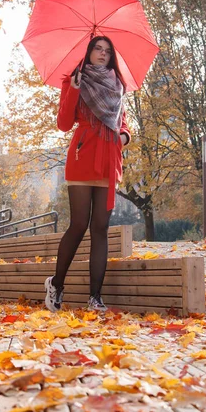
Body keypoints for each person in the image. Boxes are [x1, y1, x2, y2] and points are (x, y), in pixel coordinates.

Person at [44, 36, 131, 312]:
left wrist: (124, 138)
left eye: (107, 51)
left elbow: (123, 122)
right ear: (89, 52)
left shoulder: (117, 85)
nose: (103, 54)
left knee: (101, 228)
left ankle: (95, 296)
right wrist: (72, 90)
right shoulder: (74, 79)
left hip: (108, 159)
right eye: (98, 49)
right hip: (82, 157)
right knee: (79, 224)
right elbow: (63, 123)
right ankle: (56, 285)